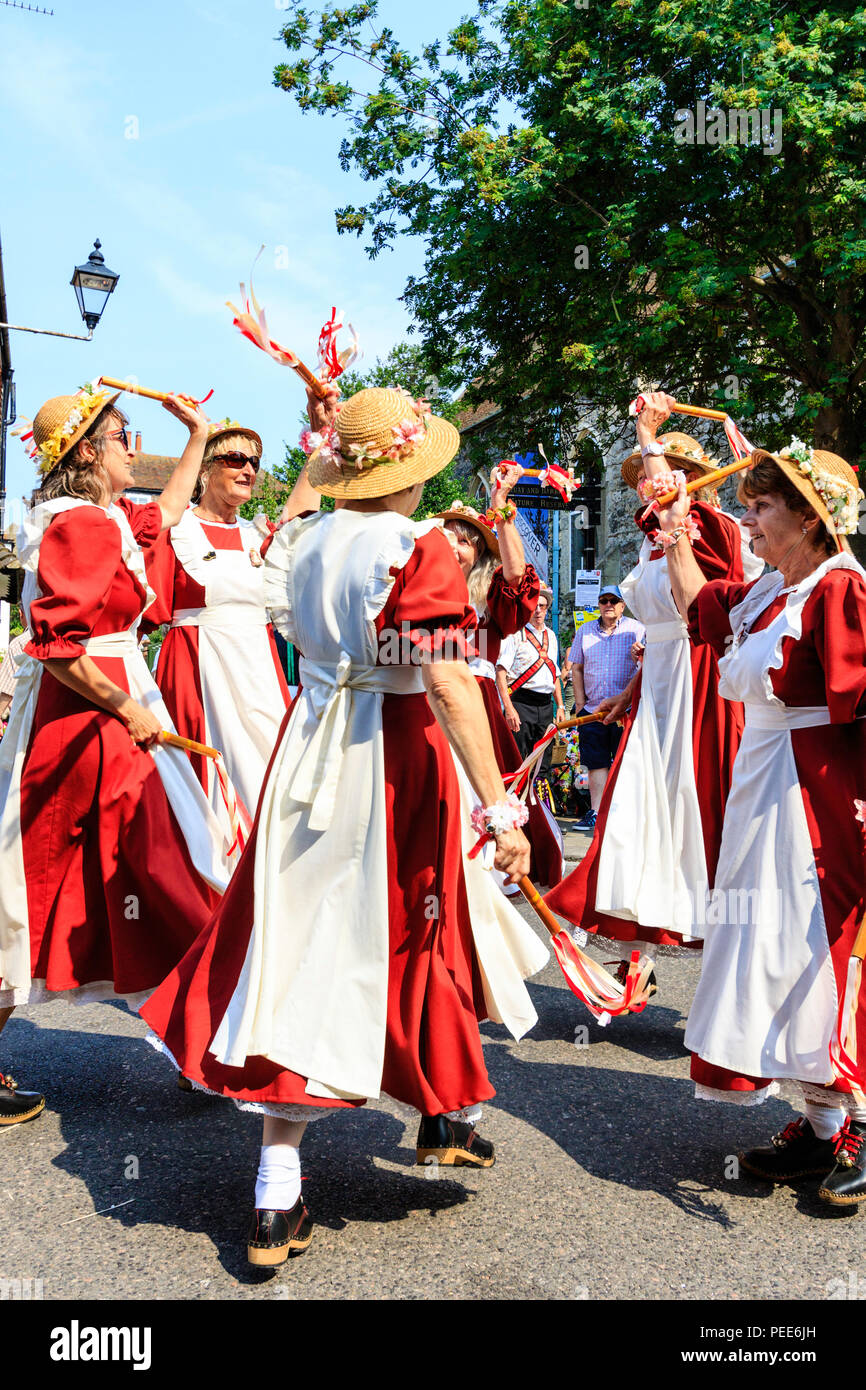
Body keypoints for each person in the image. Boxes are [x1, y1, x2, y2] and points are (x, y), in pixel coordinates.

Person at [141, 386, 547, 1264]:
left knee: (305, 938)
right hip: (390, 755)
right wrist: (499, 803)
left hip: (309, 739)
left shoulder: (306, 539)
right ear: (407, 472)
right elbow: (443, 681)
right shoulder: (416, 547)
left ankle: (291, 1184)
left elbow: (297, 629)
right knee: (404, 929)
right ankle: (432, 1115)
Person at [0, 384, 233, 1125]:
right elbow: (60, 648)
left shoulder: (98, 519)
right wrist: (131, 707)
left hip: (103, 708)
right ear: (90, 453)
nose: (134, 446)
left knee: (82, 880)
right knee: (159, 867)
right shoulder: (82, 527)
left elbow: (163, 515)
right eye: (124, 436)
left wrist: (196, 434)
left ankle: (203, 1038)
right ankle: (207, 1042)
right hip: (97, 715)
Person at [659, 440, 866, 1207]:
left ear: (811, 519)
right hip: (765, 781)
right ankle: (820, 1127)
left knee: (821, 946)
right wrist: (677, 532)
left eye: (761, 506)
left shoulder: (839, 589)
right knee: (771, 945)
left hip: (816, 788)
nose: (746, 520)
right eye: (746, 504)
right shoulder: (773, 591)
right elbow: (698, 610)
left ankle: (857, 1119)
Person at [545, 393, 763, 989]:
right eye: (642, 478)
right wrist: (633, 687)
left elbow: (697, 616)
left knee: (695, 807)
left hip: (699, 679)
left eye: (655, 476)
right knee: (640, 812)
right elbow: (660, 626)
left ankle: (731, 964)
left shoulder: (712, 530)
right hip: (662, 680)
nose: (646, 486)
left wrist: (646, 431)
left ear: (694, 482)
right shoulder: (657, 540)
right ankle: (637, 953)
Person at [439, 470, 563, 888]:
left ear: (478, 555)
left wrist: (502, 504)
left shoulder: (486, 599)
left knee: (479, 786)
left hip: (473, 697)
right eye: (447, 537)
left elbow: (517, 582)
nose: (454, 547)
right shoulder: (417, 584)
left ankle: (484, 869)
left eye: (465, 541)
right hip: (425, 697)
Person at [562, 585, 645, 831]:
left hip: (625, 710)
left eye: (613, 600)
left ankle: (623, 811)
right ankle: (596, 811)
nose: (608, 605)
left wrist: (639, 655)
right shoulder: (585, 630)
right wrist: (579, 704)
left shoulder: (636, 629)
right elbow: (576, 667)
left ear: (622, 605)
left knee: (625, 760)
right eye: (603, 601)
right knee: (596, 761)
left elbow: (645, 666)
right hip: (593, 709)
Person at [496, 587, 565, 777]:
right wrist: (509, 709)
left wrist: (560, 706)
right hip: (520, 703)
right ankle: (514, 803)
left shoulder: (551, 636)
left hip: (544, 706)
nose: (538, 611)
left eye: (542, 606)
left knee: (543, 761)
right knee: (516, 760)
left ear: (547, 609)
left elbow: (554, 674)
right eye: (534, 606)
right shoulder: (515, 634)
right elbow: (500, 673)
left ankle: (540, 804)